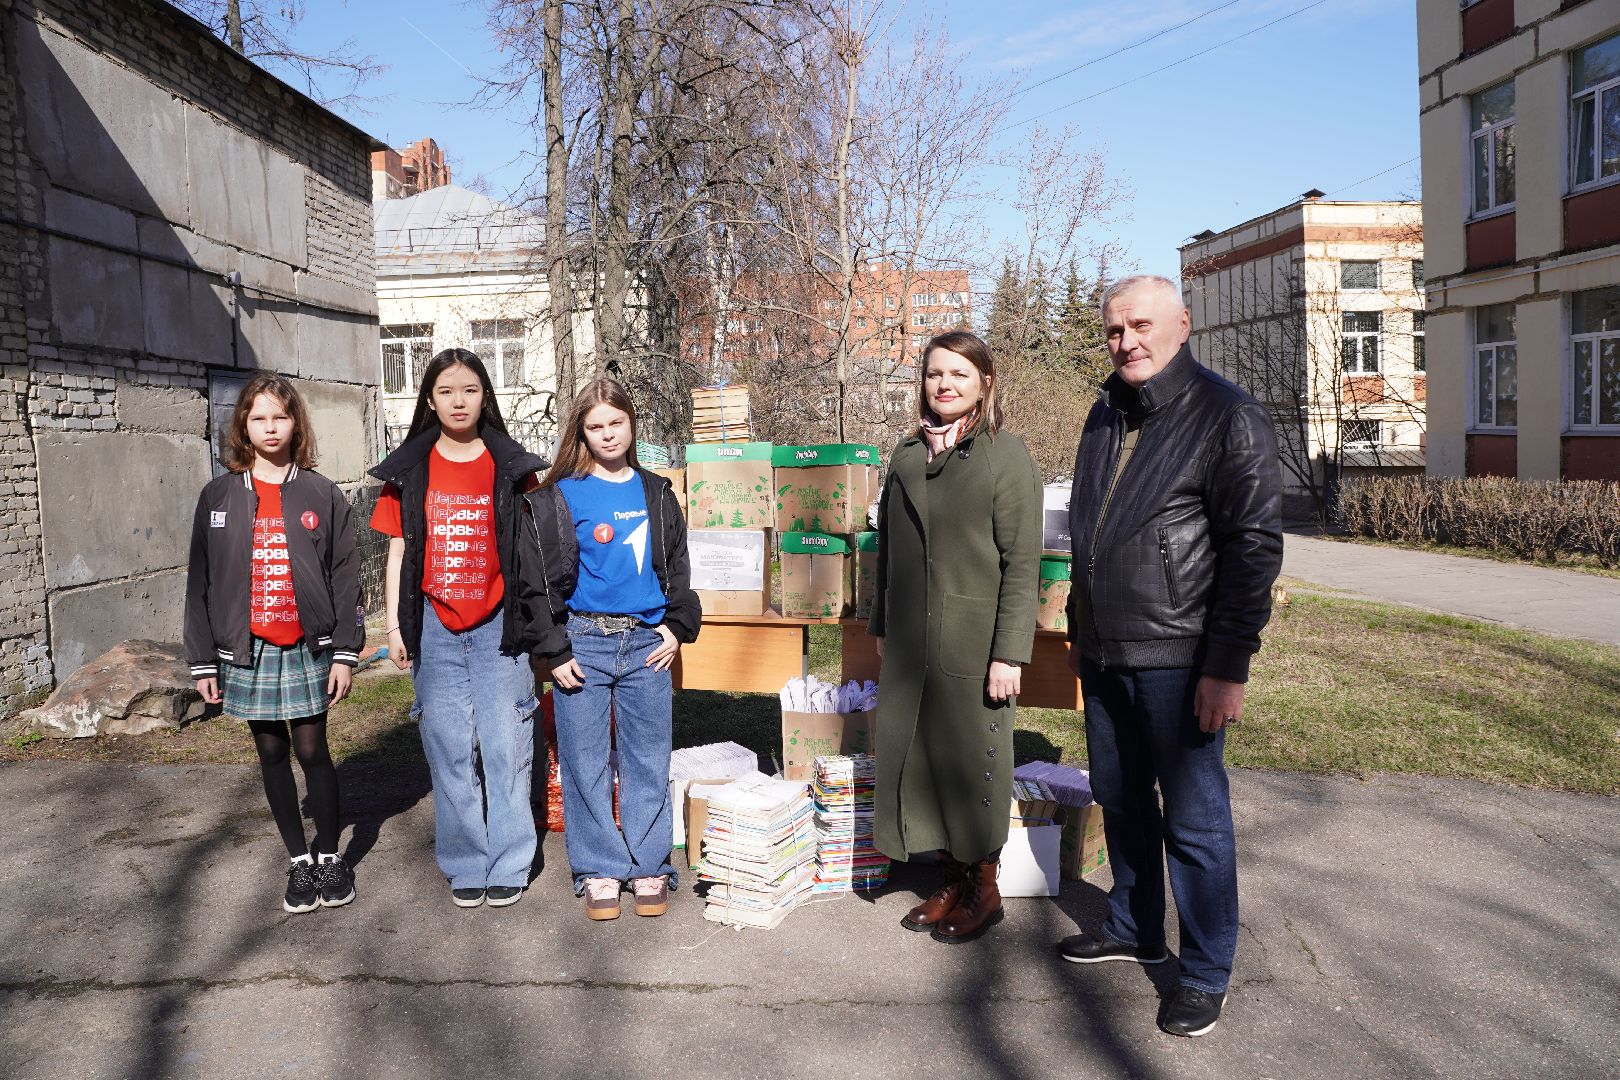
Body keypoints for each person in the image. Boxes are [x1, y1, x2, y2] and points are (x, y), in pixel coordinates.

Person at [1058, 274, 1283, 1037]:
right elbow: (1093, 526)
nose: (1128, 342)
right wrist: (1077, 622)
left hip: (1182, 656)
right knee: (1119, 802)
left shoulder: (1228, 415)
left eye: (1143, 326)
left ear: (1182, 325)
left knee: (1193, 820)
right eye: (1116, 330)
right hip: (1105, 646)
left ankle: (1205, 971)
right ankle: (1132, 925)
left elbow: (1252, 550)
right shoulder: (1103, 412)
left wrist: (1227, 665)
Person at [868, 330, 1042, 944]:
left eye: (959, 374)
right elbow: (887, 549)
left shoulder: (1006, 456)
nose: (944, 384)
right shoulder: (908, 455)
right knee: (921, 764)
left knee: (974, 767)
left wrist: (1009, 652)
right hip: (913, 643)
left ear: (984, 383)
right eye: (935, 373)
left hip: (974, 642)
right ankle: (948, 875)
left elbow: (1024, 563)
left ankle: (983, 890)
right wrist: (882, 624)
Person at [368, 348, 548, 909]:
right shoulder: (409, 470)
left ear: (484, 396)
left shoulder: (512, 467)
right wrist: (397, 626)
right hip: (435, 629)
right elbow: (397, 551)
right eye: (446, 391)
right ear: (430, 400)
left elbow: (536, 550)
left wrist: (540, 625)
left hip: (501, 627)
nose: (458, 401)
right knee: (448, 748)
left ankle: (512, 859)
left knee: (505, 744)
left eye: (469, 389)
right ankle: (467, 860)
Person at [185, 372, 363, 913]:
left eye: (280, 417)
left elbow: (345, 574)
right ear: (243, 424)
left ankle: (330, 855)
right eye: (258, 417)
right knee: (270, 750)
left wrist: (345, 652)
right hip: (249, 649)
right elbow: (201, 582)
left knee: (312, 749)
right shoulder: (218, 494)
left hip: (310, 646)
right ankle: (299, 863)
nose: (269, 427)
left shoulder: (320, 492)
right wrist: (201, 661)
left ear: (295, 423)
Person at [523, 378, 700, 921]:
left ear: (631, 425)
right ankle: (599, 868)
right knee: (585, 760)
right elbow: (538, 579)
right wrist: (554, 650)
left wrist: (675, 626)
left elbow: (677, 564)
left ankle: (649, 864)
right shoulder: (559, 496)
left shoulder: (656, 491)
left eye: (615, 423)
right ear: (581, 432)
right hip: (584, 644)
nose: (607, 434)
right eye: (595, 426)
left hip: (647, 643)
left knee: (649, 758)